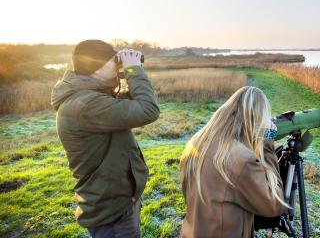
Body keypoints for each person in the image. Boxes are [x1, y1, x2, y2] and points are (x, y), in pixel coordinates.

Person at [51, 39, 160, 237]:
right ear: (97, 67)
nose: (119, 65)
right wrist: (133, 70)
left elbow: (141, 103)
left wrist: (131, 75)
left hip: (117, 202)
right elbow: (148, 110)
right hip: (112, 215)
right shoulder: (86, 104)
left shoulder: (92, 97)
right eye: (114, 60)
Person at [180, 86, 288, 238]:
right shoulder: (242, 160)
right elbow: (274, 206)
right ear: (256, 120)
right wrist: (267, 143)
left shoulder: (197, 142)